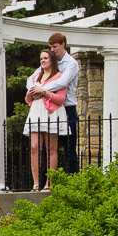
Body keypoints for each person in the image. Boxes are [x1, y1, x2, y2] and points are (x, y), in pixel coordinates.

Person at [35, 32, 80, 174]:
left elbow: (62, 82)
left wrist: (41, 89)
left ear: (63, 45)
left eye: (55, 46)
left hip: (67, 108)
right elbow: (32, 78)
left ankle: (73, 181)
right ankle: (45, 182)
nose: (53, 50)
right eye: (51, 47)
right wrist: (33, 89)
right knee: (48, 148)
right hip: (50, 109)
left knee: (69, 148)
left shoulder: (71, 63)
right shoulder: (50, 61)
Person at [23, 48, 68, 191]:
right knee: (34, 147)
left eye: (45, 58)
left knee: (51, 148)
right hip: (36, 112)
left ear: (52, 60)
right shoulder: (36, 78)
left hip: (51, 113)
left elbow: (60, 99)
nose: (42, 61)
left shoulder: (59, 77)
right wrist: (30, 94)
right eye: (41, 58)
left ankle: (49, 183)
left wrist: (44, 92)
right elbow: (28, 99)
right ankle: (36, 183)